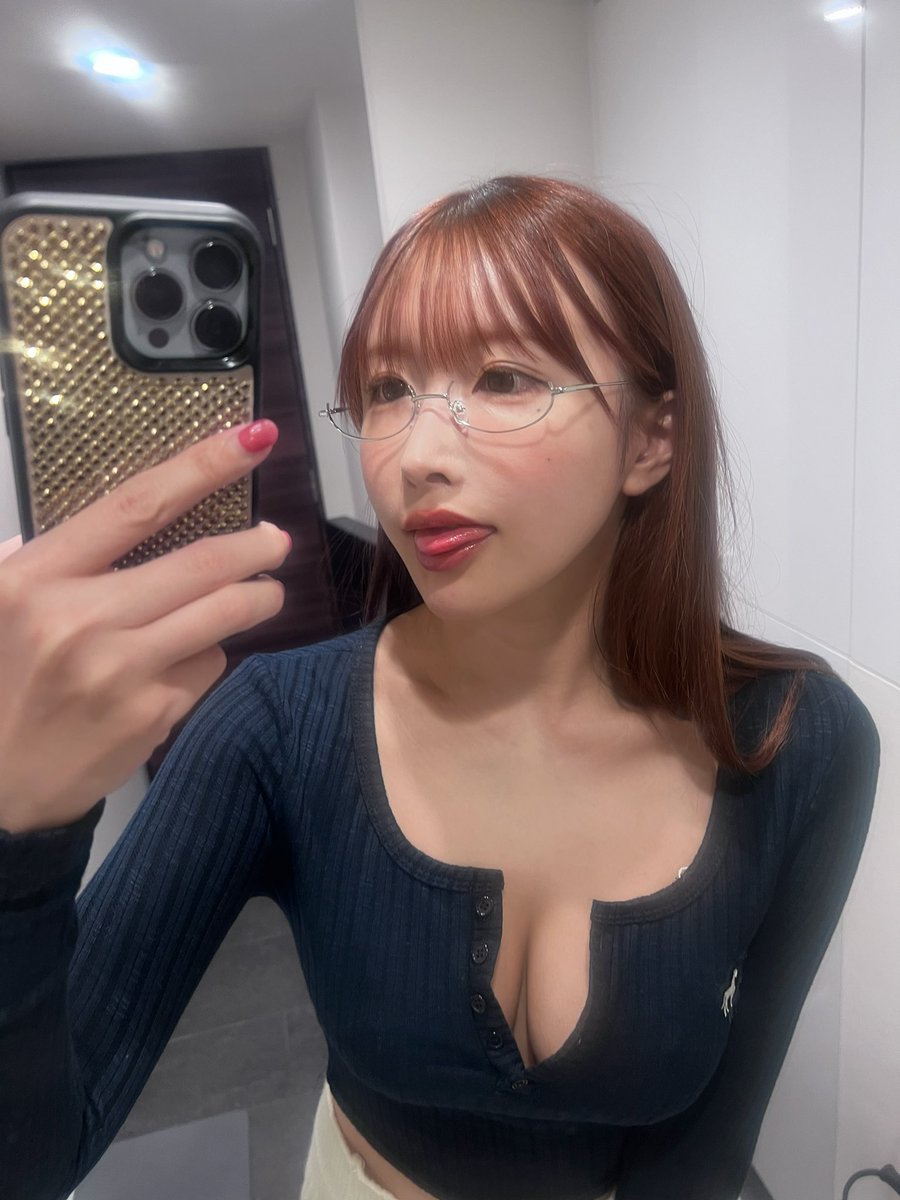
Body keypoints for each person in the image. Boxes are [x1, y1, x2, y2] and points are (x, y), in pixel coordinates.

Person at [0, 175, 880, 1200]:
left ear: (651, 440)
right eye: (385, 390)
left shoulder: (798, 743)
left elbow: (712, 1143)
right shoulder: (275, 729)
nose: (414, 457)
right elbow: (33, 1159)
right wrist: (21, 837)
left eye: (504, 378)